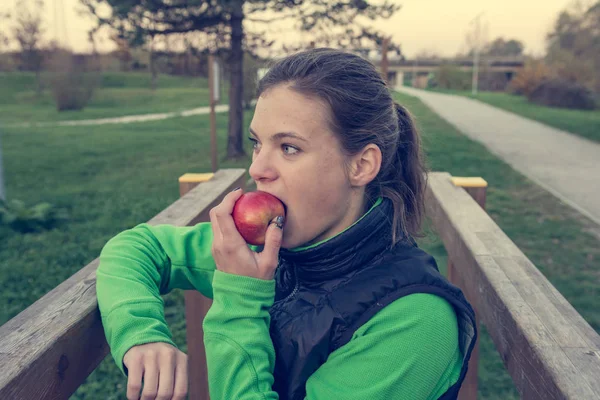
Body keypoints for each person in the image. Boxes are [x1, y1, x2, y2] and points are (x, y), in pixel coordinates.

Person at [96, 48, 477, 400]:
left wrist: (241, 298)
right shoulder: (268, 247)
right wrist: (142, 335)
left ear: (361, 165)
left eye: (289, 148)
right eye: (257, 143)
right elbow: (137, 248)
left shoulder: (414, 322)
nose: (257, 169)